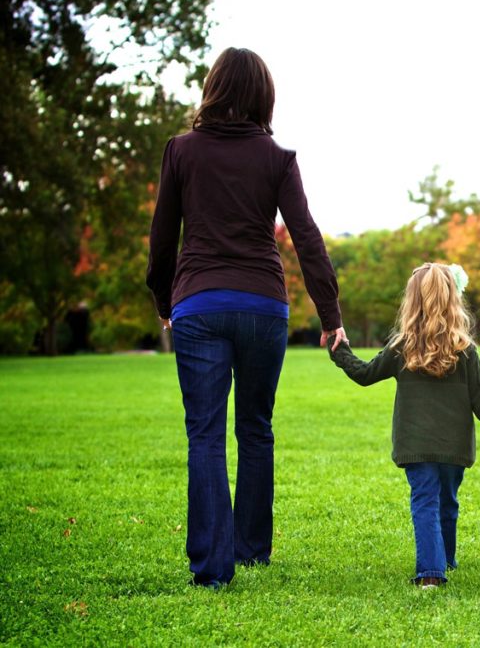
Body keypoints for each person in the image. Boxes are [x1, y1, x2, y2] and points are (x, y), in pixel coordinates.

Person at [146, 47, 346, 589]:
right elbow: (306, 238)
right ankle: (252, 548)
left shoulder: (181, 151)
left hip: (200, 304)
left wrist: (164, 301)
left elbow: (162, 238)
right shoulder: (277, 157)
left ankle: (213, 569)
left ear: (212, 88)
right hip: (263, 306)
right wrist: (330, 315)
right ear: (264, 95)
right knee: (256, 428)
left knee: (206, 435)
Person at [327, 263, 480, 588]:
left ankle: (433, 571)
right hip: (455, 446)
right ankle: (442, 560)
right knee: (446, 502)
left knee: (426, 500)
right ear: (453, 300)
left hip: (416, 444)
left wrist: (340, 350)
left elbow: (364, 375)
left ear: (411, 301)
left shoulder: (402, 347)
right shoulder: (465, 349)